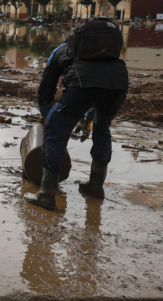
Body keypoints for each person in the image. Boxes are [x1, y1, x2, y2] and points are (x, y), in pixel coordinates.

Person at [27, 18, 129, 211]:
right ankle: (96, 186)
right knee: (102, 127)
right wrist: (89, 119)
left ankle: (46, 194)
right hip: (118, 83)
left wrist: (46, 115)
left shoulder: (59, 51)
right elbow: (99, 93)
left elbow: (46, 90)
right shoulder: (108, 53)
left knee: (56, 131)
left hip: (83, 84)